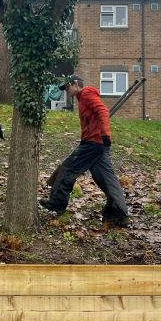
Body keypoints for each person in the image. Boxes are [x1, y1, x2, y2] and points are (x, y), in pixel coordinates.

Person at [40, 75, 130, 227]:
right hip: (98, 145)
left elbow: (102, 111)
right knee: (106, 179)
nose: (66, 91)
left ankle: (57, 203)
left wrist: (105, 133)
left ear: (75, 84)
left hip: (93, 144)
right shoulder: (81, 98)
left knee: (68, 168)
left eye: (67, 87)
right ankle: (118, 215)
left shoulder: (87, 94)